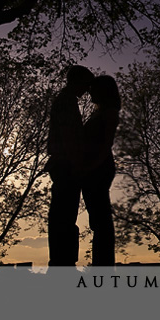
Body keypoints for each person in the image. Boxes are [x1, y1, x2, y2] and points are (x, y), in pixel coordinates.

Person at [46, 65, 94, 266]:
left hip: (64, 164)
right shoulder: (66, 102)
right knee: (64, 217)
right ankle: (62, 262)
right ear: (78, 81)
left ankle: (62, 260)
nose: (87, 90)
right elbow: (67, 137)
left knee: (63, 216)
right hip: (66, 166)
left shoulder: (66, 101)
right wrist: (77, 165)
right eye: (86, 84)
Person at [80, 74, 120, 266]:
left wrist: (92, 166)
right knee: (98, 221)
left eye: (93, 89)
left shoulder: (109, 113)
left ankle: (103, 267)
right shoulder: (99, 112)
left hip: (99, 168)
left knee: (102, 222)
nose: (89, 93)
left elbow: (106, 145)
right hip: (93, 168)